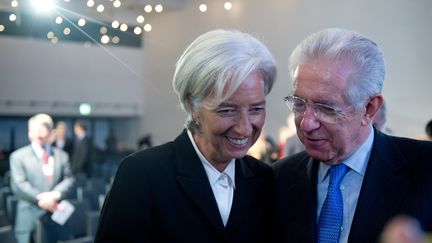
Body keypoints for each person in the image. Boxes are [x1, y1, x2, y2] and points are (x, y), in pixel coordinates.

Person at [95, 29, 277, 242]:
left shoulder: (264, 179)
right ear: (193, 105)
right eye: (227, 110)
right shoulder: (143, 175)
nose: (245, 129)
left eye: (256, 109)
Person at [272, 28, 432, 243]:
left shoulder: (425, 169)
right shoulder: (278, 178)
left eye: (326, 108)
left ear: (368, 109)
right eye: (299, 103)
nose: (306, 123)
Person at [9, 113, 74, 243]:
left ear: (51, 132)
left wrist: (55, 195)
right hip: (29, 220)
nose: (36, 134)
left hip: (56, 219)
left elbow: (69, 179)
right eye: (32, 130)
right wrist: (44, 199)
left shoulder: (62, 156)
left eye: (41, 130)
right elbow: (19, 185)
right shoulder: (18, 157)